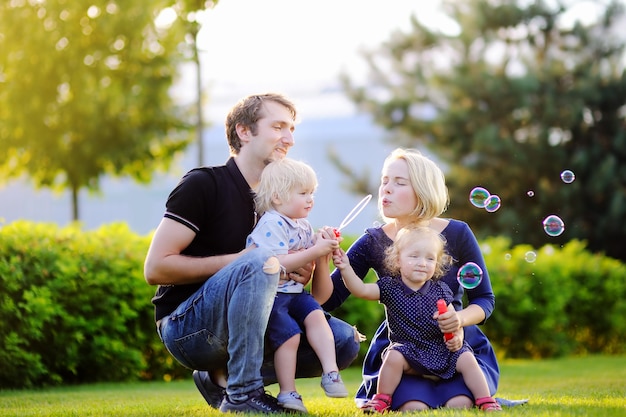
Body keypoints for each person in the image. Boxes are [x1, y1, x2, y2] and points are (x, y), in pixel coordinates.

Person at [143, 93, 360, 414]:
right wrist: (253, 262)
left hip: (261, 318)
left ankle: (223, 380)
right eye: (278, 127)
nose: (289, 139)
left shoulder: (285, 204)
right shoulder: (204, 184)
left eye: (292, 129)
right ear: (244, 132)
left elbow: (313, 297)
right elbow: (156, 269)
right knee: (259, 260)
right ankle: (243, 395)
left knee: (342, 340)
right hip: (189, 327)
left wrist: (311, 262)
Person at [314, 147, 514, 411]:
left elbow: (484, 300)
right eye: (385, 181)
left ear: (422, 190)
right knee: (413, 406)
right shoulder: (373, 241)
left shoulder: (458, 233)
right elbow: (326, 300)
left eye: (399, 183)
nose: (386, 189)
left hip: (454, 343)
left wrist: (459, 319)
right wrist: (320, 257)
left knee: (461, 403)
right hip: (402, 348)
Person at [333, 225, 502, 412]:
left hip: (440, 349)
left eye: (430, 258)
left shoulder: (442, 290)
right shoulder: (389, 287)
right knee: (393, 355)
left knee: (467, 357)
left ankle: (485, 400)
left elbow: (451, 319)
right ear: (398, 260)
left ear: (436, 264)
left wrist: (457, 336)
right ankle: (381, 399)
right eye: (414, 256)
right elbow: (361, 289)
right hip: (409, 350)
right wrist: (346, 268)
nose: (422, 263)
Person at [246, 158, 348, 413]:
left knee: (317, 317)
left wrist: (320, 244)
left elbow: (310, 269)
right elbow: (277, 264)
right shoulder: (271, 223)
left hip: (295, 294)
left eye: (312, 192)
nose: (310, 199)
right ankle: (287, 392)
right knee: (290, 336)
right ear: (278, 197)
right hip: (272, 297)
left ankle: (331, 373)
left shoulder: (301, 223)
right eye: (303, 193)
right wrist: (315, 250)